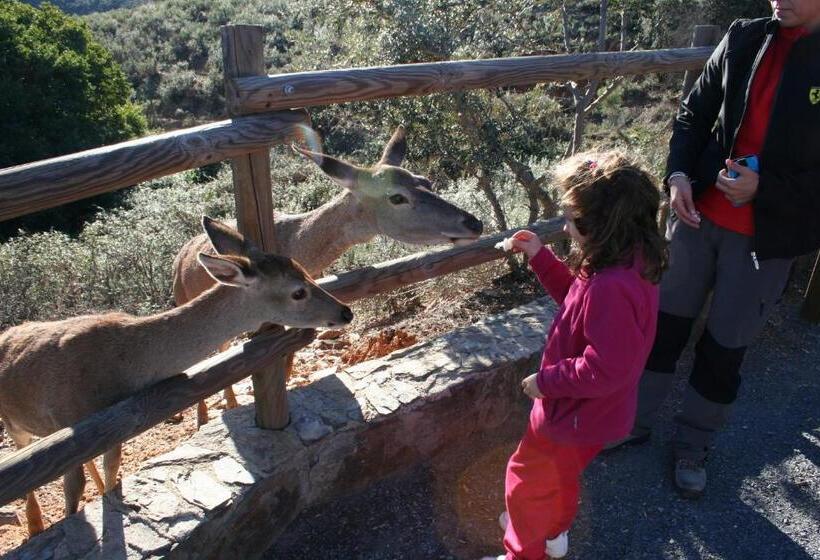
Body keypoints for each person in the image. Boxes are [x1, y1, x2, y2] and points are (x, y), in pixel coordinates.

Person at [607, 0, 820, 498]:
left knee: (724, 346)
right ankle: (631, 423)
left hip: (768, 238)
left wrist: (763, 190)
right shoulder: (745, 36)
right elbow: (694, 113)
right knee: (661, 328)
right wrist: (678, 174)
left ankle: (694, 445)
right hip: (696, 217)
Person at [483, 151, 667, 560]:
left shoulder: (610, 285)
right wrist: (540, 256)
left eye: (570, 219)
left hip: (571, 412)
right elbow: (577, 304)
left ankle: (522, 552)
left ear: (597, 225)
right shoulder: (625, 261)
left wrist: (545, 382)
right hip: (593, 415)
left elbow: (607, 366)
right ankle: (554, 532)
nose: (564, 228)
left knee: (526, 482)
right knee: (560, 478)